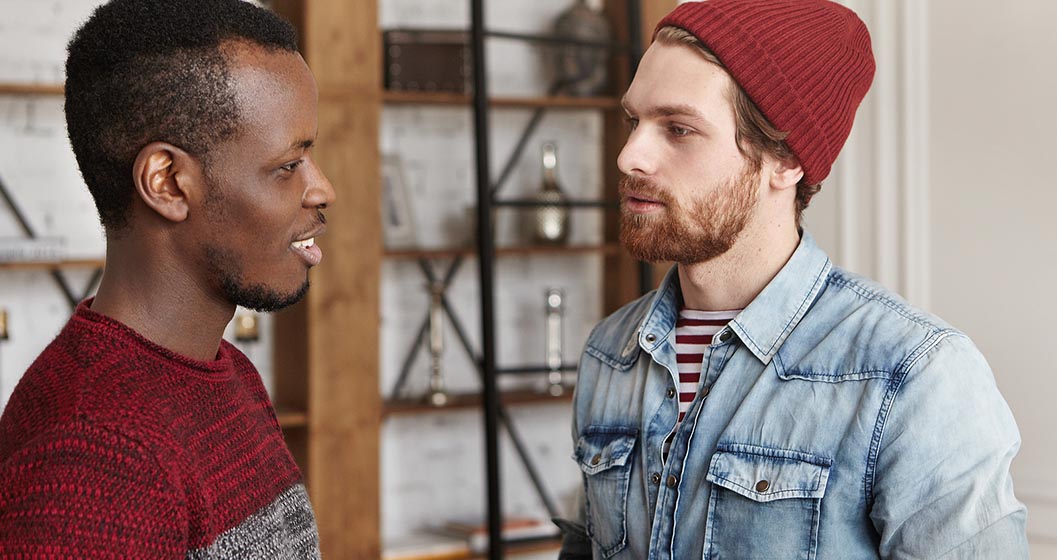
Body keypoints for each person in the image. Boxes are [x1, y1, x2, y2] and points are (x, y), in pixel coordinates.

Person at [557, 1, 1027, 558]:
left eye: (679, 129)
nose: (629, 155)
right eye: (634, 121)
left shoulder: (914, 376)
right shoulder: (610, 353)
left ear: (784, 160)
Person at [0, 0, 334, 556]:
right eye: (286, 166)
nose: (321, 189)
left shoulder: (226, 372)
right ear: (169, 183)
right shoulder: (95, 461)